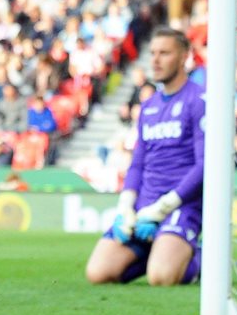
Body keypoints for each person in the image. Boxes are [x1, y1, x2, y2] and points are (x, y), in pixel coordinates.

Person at [85, 28, 205, 286]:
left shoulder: (199, 100)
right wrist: (125, 206)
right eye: (152, 53)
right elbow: (138, 163)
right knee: (98, 273)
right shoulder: (149, 106)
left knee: (161, 277)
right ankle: (158, 250)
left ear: (184, 56)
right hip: (144, 207)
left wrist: (164, 207)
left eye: (164, 53)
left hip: (180, 205)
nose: (156, 60)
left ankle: (199, 257)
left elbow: (204, 165)